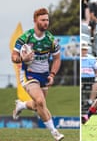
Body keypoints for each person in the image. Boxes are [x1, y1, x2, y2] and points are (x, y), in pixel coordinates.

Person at [11, 8, 64, 140]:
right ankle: (55, 133)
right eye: (43, 20)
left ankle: (21, 105)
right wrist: (22, 59)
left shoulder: (51, 40)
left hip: (44, 75)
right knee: (40, 101)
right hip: (29, 74)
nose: (46, 22)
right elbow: (14, 56)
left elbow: (57, 59)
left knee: (37, 105)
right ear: (35, 21)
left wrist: (52, 75)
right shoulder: (25, 37)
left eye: (47, 20)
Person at [81, 42, 97, 108]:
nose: (84, 51)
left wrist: (96, 76)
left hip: (91, 77)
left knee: (96, 83)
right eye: (82, 49)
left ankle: (90, 102)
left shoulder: (91, 58)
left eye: (85, 49)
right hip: (81, 77)